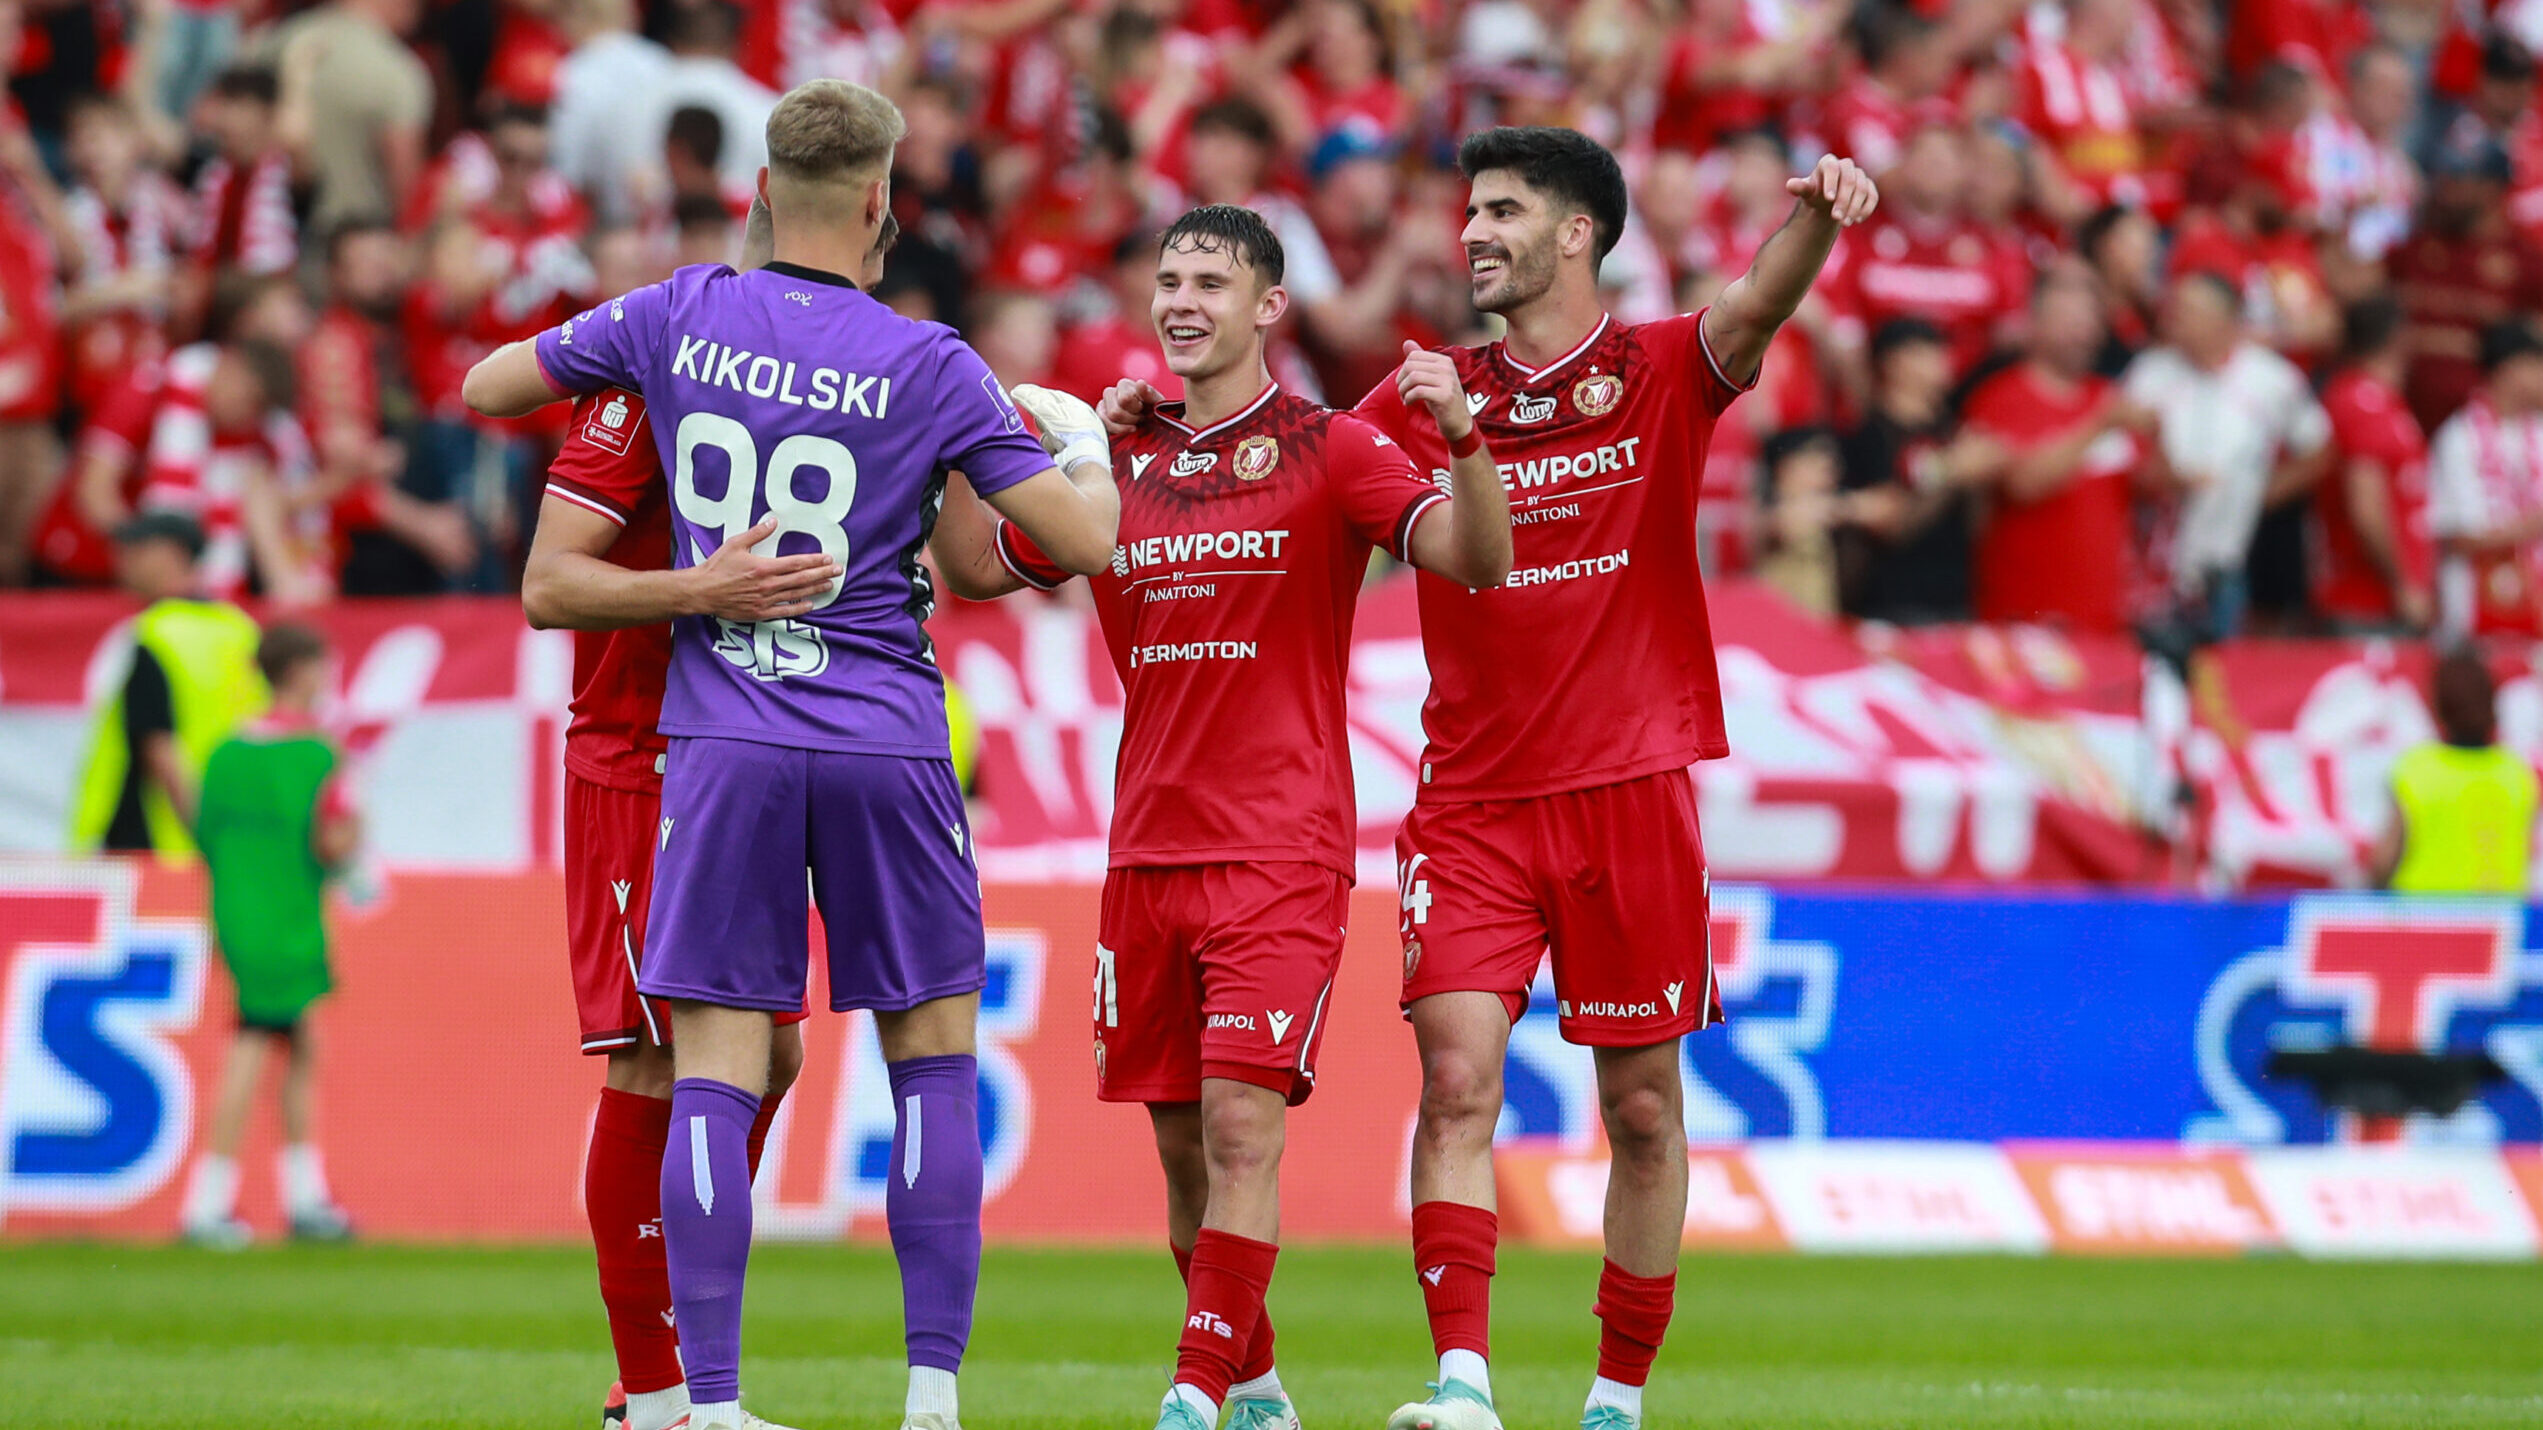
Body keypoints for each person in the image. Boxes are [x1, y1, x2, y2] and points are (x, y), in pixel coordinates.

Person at [1112, 125, 1877, 1430]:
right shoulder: (1416, 395)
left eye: (1502, 211)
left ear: (1575, 231)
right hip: (1466, 799)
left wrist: (1821, 214)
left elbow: (1757, 299)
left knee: (1639, 1106)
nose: (1471, 232)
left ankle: (1614, 1397)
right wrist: (1161, 434)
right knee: (1456, 1077)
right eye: (1469, 211)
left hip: (1631, 783)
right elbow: (1277, 469)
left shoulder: (1652, 368)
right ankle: (1460, 1378)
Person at [463, 78, 1120, 1430]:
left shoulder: (677, 317)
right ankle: (928, 1396)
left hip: (723, 735)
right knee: (928, 1054)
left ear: (763, 192)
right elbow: (1073, 542)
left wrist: (693, 543)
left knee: (718, 1061)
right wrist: (1090, 455)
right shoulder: (930, 360)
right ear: (882, 201)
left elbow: (486, 385)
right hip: (884, 732)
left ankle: (704, 1400)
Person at [936, 204, 1509, 1430]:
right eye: (1168, 280)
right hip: (1144, 848)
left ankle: (1190, 1397)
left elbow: (1474, 556)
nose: (1181, 300)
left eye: (1210, 280)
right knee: (1184, 1156)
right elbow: (974, 571)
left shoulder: (1333, 448)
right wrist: (957, 441)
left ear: (1267, 307)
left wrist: (1463, 441)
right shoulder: (1116, 466)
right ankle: (1254, 1394)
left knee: (1246, 1123)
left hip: (1280, 848)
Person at [517, 196, 818, 1430]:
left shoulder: (802, 384)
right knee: (661, 1059)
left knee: (772, 1054)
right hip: (640, 763)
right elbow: (547, 585)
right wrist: (706, 590)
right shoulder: (640, 386)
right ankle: (657, 1391)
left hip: (740, 759)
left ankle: (663, 1366)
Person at [177, 622, 361, 1247]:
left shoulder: (225, 755)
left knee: (296, 1043)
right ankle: (209, 1201)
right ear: (302, 672)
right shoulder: (315, 754)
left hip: (237, 912)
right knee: (258, 1047)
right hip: (289, 916)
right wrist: (355, 834)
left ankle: (302, 1194)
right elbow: (331, 843)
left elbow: (204, 834)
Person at [2121, 269, 2331, 636]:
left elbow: (2320, 447)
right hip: (2152, 561)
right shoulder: (2149, 373)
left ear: (2224, 321)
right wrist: (2166, 479)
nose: (2173, 319)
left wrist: (2261, 492)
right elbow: (2124, 454)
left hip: (2227, 562)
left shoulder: (2269, 378)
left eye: (2188, 311)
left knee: (2218, 678)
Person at [1962, 268, 2151, 632]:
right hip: (2023, 616)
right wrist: (2098, 426)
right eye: (2068, 321)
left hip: (2105, 618)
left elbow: (2149, 484)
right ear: (2034, 324)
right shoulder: (2000, 397)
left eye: (2089, 322)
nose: (2081, 333)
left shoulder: (2108, 395)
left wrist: (2162, 434)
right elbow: (2022, 485)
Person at [69, 511, 264, 857]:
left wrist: (206, 837)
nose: (123, 559)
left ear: (175, 554)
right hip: (231, 836)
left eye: (139, 548)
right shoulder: (241, 630)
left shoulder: (155, 634)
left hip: (151, 844)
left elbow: (160, 749)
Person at [2373, 646, 2537, 893]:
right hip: (2502, 922)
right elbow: (2526, 853)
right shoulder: (2518, 773)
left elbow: (2383, 861)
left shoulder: (2416, 768)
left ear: (2438, 706)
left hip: (2423, 918)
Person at [2313, 296, 2433, 632]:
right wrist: (2404, 582)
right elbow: (2366, 506)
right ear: (2399, 337)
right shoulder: (2360, 402)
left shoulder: (2379, 399)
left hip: (2378, 597)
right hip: (2364, 600)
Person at [2427, 320, 2543, 637]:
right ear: (2510, 370)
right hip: (2473, 618)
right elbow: (2456, 537)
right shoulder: (2458, 438)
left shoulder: (2539, 432)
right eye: (2538, 365)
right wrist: (2530, 527)